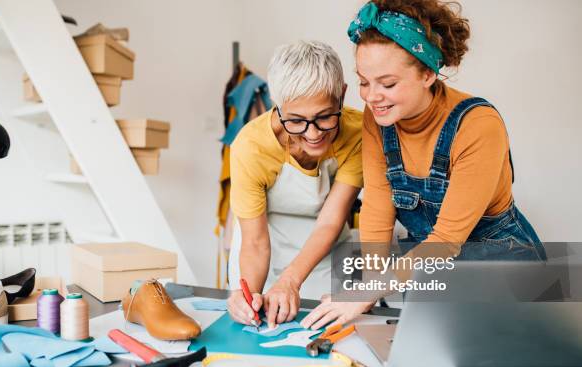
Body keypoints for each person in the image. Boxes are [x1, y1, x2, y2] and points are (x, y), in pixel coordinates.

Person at [301, 0, 546, 329]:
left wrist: (368, 291)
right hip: (434, 264)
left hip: (500, 260)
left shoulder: (477, 125)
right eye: (363, 81)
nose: (372, 97)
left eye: (387, 84)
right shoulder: (381, 118)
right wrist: (368, 288)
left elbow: (446, 240)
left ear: (428, 73)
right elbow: (377, 204)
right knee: (356, 270)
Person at [227, 41, 363, 328]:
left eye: (325, 117)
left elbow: (331, 220)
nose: (313, 134)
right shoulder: (251, 147)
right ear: (279, 106)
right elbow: (254, 242)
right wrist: (249, 297)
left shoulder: (358, 133)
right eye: (297, 121)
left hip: (326, 249)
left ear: (342, 96)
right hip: (263, 244)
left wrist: (291, 279)